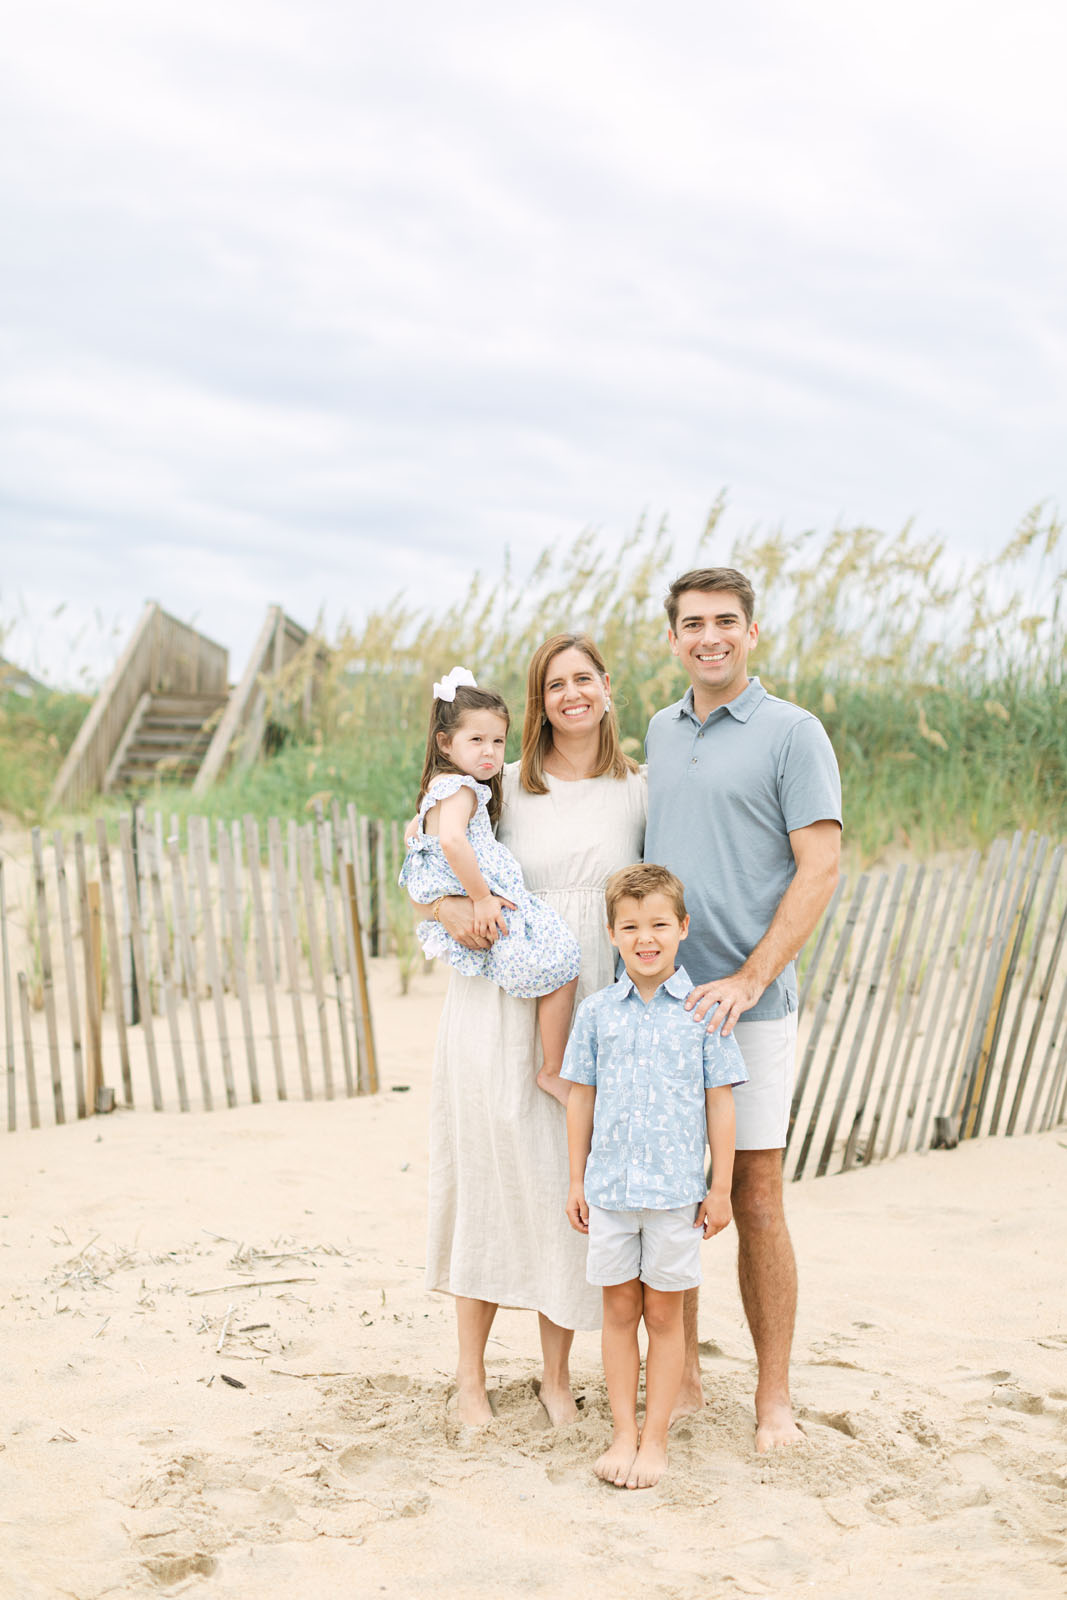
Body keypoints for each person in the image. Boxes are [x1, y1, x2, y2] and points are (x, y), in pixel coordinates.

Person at [416, 635, 646, 1426]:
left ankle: (555, 1377)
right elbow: (429, 871)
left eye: (584, 679)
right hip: (495, 996)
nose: (571, 694)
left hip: (586, 1001)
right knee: (483, 1172)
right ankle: (470, 1380)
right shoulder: (499, 782)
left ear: (607, 689)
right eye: (555, 684)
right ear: (536, 702)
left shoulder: (637, 791)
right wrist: (452, 909)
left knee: (561, 1182)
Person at [644, 567, 842, 1453]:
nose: (709, 637)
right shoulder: (656, 729)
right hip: (665, 1008)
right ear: (674, 637)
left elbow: (820, 868)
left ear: (751, 633)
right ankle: (681, 1377)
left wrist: (754, 978)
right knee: (673, 1190)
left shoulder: (793, 733)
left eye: (726, 621)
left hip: (749, 1009)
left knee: (756, 1196)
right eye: (693, 624)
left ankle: (773, 1399)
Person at [563, 864, 748, 1489]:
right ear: (613, 933)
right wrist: (574, 1181)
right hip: (610, 1191)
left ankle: (656, 1439)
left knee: (666, 1317)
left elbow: (720, 1103)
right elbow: (580, 1098)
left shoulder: (703, 1012)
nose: (646, 938)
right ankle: (622, 1431)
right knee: (618, 1309)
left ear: (683, 928)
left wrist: (719, 1187)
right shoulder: (595, 1013)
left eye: (660, 925)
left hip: (675, 1196)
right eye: (631, 926)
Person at [399, 667, 581, 1104]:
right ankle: (553, 1069)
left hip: (471, 895)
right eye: (476, 741)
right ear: (445, 743)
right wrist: (481, 897)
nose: (490, 752)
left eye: (498, 741)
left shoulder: (439, 789)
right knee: (564, 961)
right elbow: (451, 840)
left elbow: (413, 836)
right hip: (486, 899)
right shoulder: (460, 789)